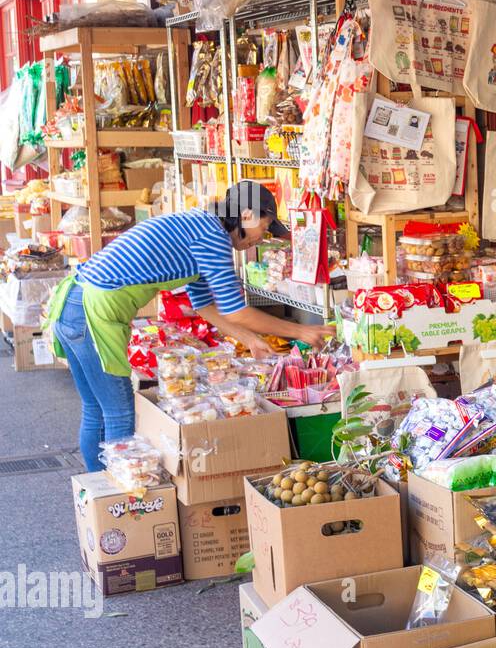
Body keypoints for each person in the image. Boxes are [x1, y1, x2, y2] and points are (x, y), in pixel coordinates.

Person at [43, 181, 335, 472]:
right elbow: (236, 310)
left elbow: (204, 304)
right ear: (246, 215)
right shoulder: (213, 237)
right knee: (119, 412)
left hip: (73, 306)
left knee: (97, 409)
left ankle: (99, 500)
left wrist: (250, 339)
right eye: (266, 226)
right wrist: (301, 331)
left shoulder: (202, 226)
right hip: (92, 313)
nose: (263, 237)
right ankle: (117, 502)